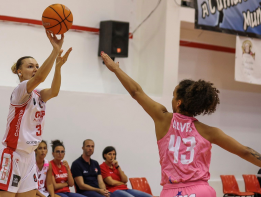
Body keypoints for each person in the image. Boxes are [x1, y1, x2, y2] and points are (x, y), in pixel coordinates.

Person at [100, 51, 261, 197]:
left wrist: (116, 69)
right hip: (201, 191)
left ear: (178, 103)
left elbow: (136, 92)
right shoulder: (210, 132)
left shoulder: (163, 118)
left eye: (173, 95)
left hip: (172, 192)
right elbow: (245, 152)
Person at [0, 30, 72, 197]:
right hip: (12, 156)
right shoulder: (21, 90)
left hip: (29, 158)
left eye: (36, 66)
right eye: (30, 66)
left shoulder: (38, 93)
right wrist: (55, 51)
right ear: (19, 72)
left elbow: (55, 91)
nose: (35, 69)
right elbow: (41, 77)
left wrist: (58, 67)